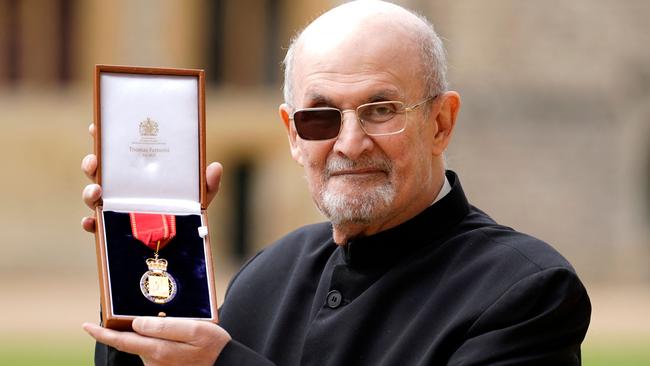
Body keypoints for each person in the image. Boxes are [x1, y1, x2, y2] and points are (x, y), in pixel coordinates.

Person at [81, 1, 591, 365]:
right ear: (293, 134)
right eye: (320, 117)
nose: (349, 143)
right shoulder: (267, 275)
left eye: (381, 109)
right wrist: (140, 251)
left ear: (440, 123)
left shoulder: (525, 293)